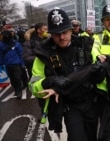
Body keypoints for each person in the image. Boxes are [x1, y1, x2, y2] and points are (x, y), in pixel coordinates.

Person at [28, 8, 98, 141]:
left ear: (71, 30)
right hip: (69, 105)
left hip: (91, 102)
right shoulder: (43, 55)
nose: (61, 37)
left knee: (91, 137)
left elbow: (95, 70)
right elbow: (32, 85)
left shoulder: (85, 46)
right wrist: (49, 81)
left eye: (65, 32)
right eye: (56, 34)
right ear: (50, 34)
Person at [0, 30, 25, 99]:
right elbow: (0, 55)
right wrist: (0, 63)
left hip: (16, 64)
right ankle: (16, 88)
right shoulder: (1, 45)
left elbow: (21, 54)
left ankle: (19, 90)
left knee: (17, 77)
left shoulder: (16, 44)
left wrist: (22, 63)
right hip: (8, 64)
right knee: (12, 78)